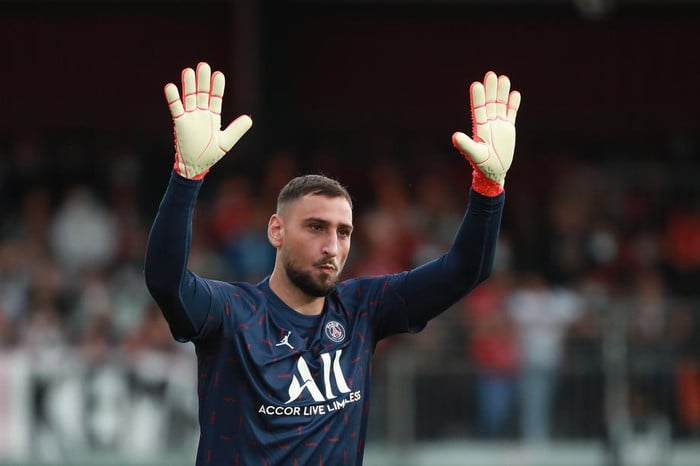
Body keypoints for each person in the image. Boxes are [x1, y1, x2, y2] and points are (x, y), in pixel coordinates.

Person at [144, 61, 521, 466]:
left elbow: (465, 270)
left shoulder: (362, 308)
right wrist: (186, 178)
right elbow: (167, 281)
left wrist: (489, 189)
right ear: (276, 230)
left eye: (343, 232)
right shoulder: (232, 313)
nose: (331, 246)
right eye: (315, 227)